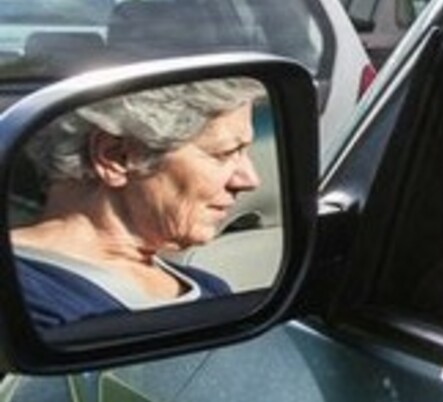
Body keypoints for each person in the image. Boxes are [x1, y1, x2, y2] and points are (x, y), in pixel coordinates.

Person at [11, 77, 264, 328]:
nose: (250, 180)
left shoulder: (210, 288)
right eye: (225, 153)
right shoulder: (24, 297)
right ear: (115, 157)